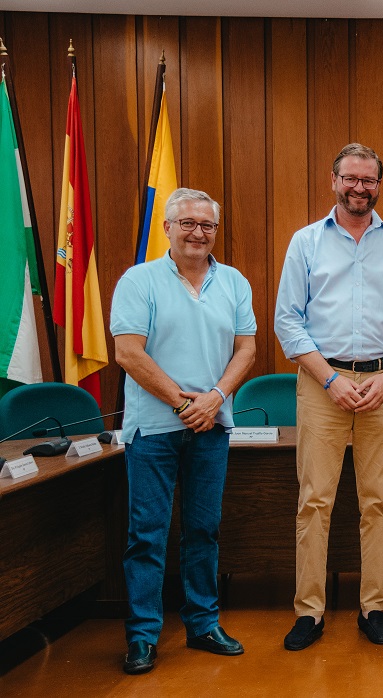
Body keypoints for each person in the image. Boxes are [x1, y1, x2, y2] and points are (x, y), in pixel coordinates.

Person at [274, 143, 383, 650]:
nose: (360, 187)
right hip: (323, 382)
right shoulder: (306, 242)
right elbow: (288, 321)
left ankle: (373, 607)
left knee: (378, 500)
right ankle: (309, 612)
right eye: (351, 178)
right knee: (314, 499)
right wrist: (331, 380)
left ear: (378, 185)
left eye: (369, 180)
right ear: (334, 180)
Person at [111, 188, 257, 675]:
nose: (198, 233)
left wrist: (214, 398)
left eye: (207, 225)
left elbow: (246, 349)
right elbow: (128, 352)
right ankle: (142, 636)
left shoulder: (233, 281)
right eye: (188, 223)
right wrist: (182, 402)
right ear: (167, 228)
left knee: (203, 531)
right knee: (147, 535)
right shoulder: (139, 280)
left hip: (212, 424)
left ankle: (203, 624)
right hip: (153, 429)